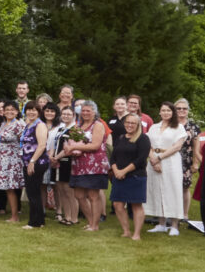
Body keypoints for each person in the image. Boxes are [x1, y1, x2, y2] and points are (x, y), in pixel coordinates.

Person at [66, 100, 110, 232]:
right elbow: (70, 143)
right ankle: (91, 222)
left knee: (93, 196)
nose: (85, 113)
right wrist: (68, 149)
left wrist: (75, 146)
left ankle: (95, 225)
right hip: (78, 165)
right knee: (79, 195)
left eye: (88, 111)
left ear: (94, 112)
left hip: (94, 165)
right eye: (83, 110)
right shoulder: (77, 126)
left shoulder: (98, 125)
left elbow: (95, 145)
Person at [145, 101, 187, 236]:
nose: (165, 113)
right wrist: (153, 159)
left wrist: (159, 158)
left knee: (172, 190)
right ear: (159, 112)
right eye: (163, 110)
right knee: (156, 190)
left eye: (168, 110)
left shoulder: (178, 127)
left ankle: (174, 225)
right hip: (153, 161)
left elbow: (177, 146)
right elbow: (148, 145)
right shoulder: (154, 127)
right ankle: (161, 223)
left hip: (170, 161)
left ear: (173, 112)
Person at [108, 112, 149, 240]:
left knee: (136, 205)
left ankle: (136, 234)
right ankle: (126, 231)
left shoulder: (143, 139)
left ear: (138, 125)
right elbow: (113, 157)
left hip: (136, 176)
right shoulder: (120, 138)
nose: (130, 125)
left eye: (133, 123)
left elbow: (141, 160)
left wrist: (123, 171)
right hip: (119, 177)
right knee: (117, 205)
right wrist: (116, 171)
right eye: (127, 122)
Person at [0, 100, 26, 223]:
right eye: (7, 110)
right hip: (2, 158)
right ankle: (13, 214)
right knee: (7, 188)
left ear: (17, 112)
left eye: (12, 109)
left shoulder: (19, 125)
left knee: (11, 188)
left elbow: (24, 143)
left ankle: (15, 216)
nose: (9, 112)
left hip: (13, 160)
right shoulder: (3, 124)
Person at [21, 101, 54, 229]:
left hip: (36, 162)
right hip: (29, 162)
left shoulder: (40, 125)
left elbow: (41, 146)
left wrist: (32, 162)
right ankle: (40, 220)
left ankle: (33, 222)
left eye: (34, 110)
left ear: (39, 112)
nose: (31, 112)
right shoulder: (29, 124)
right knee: (33, 192)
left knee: (33, 192)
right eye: (29, 110)